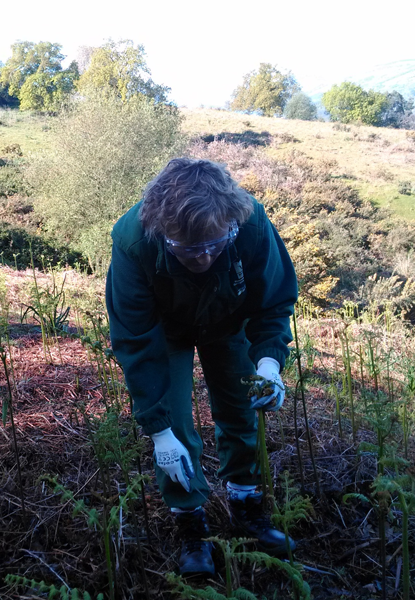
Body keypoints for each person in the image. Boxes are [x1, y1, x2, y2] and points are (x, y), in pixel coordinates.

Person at [105, 158, 298, 575]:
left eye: (215, 243)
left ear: (230, 224)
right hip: (164, 332)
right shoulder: (133, 239)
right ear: (162, 232)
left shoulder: (248, 223)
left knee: (241, 408)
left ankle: (246, 505)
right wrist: (158, 431)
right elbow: (135, 340)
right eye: (188, 248)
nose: (204, 256)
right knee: (174, 426)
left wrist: (268, 364)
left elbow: (273, 300)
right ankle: (192, 524)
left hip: (229, 322)